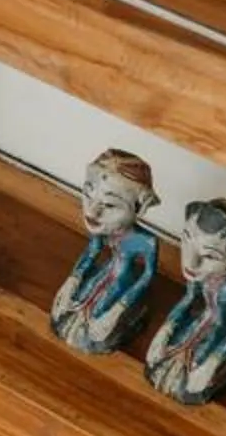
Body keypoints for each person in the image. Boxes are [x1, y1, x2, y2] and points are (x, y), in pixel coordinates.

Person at [143, 199, 226, 405]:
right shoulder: (200, 280)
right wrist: (167, 329)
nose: (191, 262)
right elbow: (188, 299)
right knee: (165, 361)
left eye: (210, 256)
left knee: (193, 371)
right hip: (196, 324)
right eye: (186, 240)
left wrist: (217, 357)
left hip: (218, 333)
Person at [51, 148, 160, 355]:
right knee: (78, 306)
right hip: (104, 273)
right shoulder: (104, 229)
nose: (91, 211)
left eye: (110, 205)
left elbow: (147, 276)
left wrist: (125, 302)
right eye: (88, 194)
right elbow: (92, 251)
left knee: (100, 314)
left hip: (122, 282)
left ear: (139, 208)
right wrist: (74, 279)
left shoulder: (146, 242)